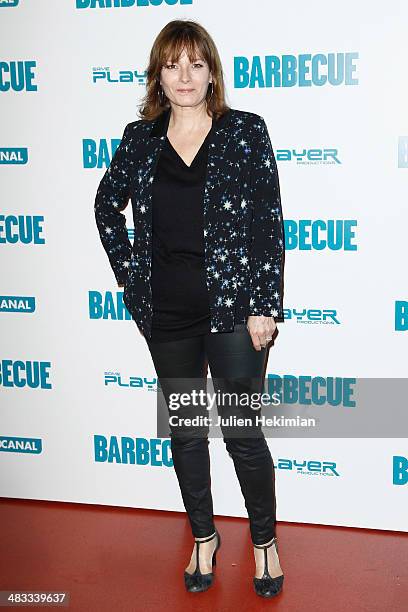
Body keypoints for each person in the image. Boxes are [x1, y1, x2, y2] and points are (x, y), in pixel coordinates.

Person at [94, 19, 285, 599]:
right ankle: (203, 537)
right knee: (185, 433)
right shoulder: (140, 138)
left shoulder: (245, 132)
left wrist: (264, 305)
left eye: (195, 63)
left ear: (211, 72)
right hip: (167, 316)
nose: (184, 75)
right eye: (173, 64)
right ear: (159, 73)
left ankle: (263, 542)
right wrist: (133, 282)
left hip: (233, 314)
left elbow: (266, 224)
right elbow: (107, 207)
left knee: (242, 434)